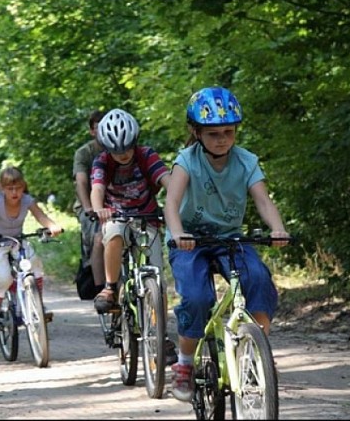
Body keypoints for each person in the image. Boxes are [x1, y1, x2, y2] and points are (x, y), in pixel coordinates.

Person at [164, 86, 291, 401]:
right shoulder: (187, 161)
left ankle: (258, 352)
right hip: (190, 241)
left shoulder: (246, 161)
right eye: (213, 133)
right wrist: (178, 233)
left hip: (229, 239)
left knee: (258, 279)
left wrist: (277, 228)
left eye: (228, 132)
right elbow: (171, 202)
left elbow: (262, 200)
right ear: (196, 133)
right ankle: (183, 365)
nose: (222, 139)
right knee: (196, 297)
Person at [89, 108, 178, 364]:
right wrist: (99, 209)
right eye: (116, 151)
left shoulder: (146, 155)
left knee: (157, 280)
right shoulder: (102, 162)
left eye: (126, 148)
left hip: (146, 217)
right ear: (107, 148)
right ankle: (109, 287)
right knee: (114, 233)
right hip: (115, 216)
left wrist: (177, 196)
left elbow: (166, 180)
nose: (123, 154)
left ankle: (159, 331)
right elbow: (97, 189)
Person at [0, 166, 63, 337]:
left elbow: (41, 216)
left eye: (18, 188)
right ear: (1, 188)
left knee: (35, 263)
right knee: (3, 277)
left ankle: (38, 303)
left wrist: (52, 226)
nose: (14, 192)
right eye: (9, 188)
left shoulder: (27, 201)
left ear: (24, 186)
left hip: (17, 240)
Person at [72, 110, 107, 294]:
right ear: (92, 131)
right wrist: (88, 208)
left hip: (116, 204)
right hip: (90, 205)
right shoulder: (85, 153)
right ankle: (100, 287)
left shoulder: (122, 147)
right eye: (98, 128)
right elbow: (82, 181)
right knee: (97, 237)